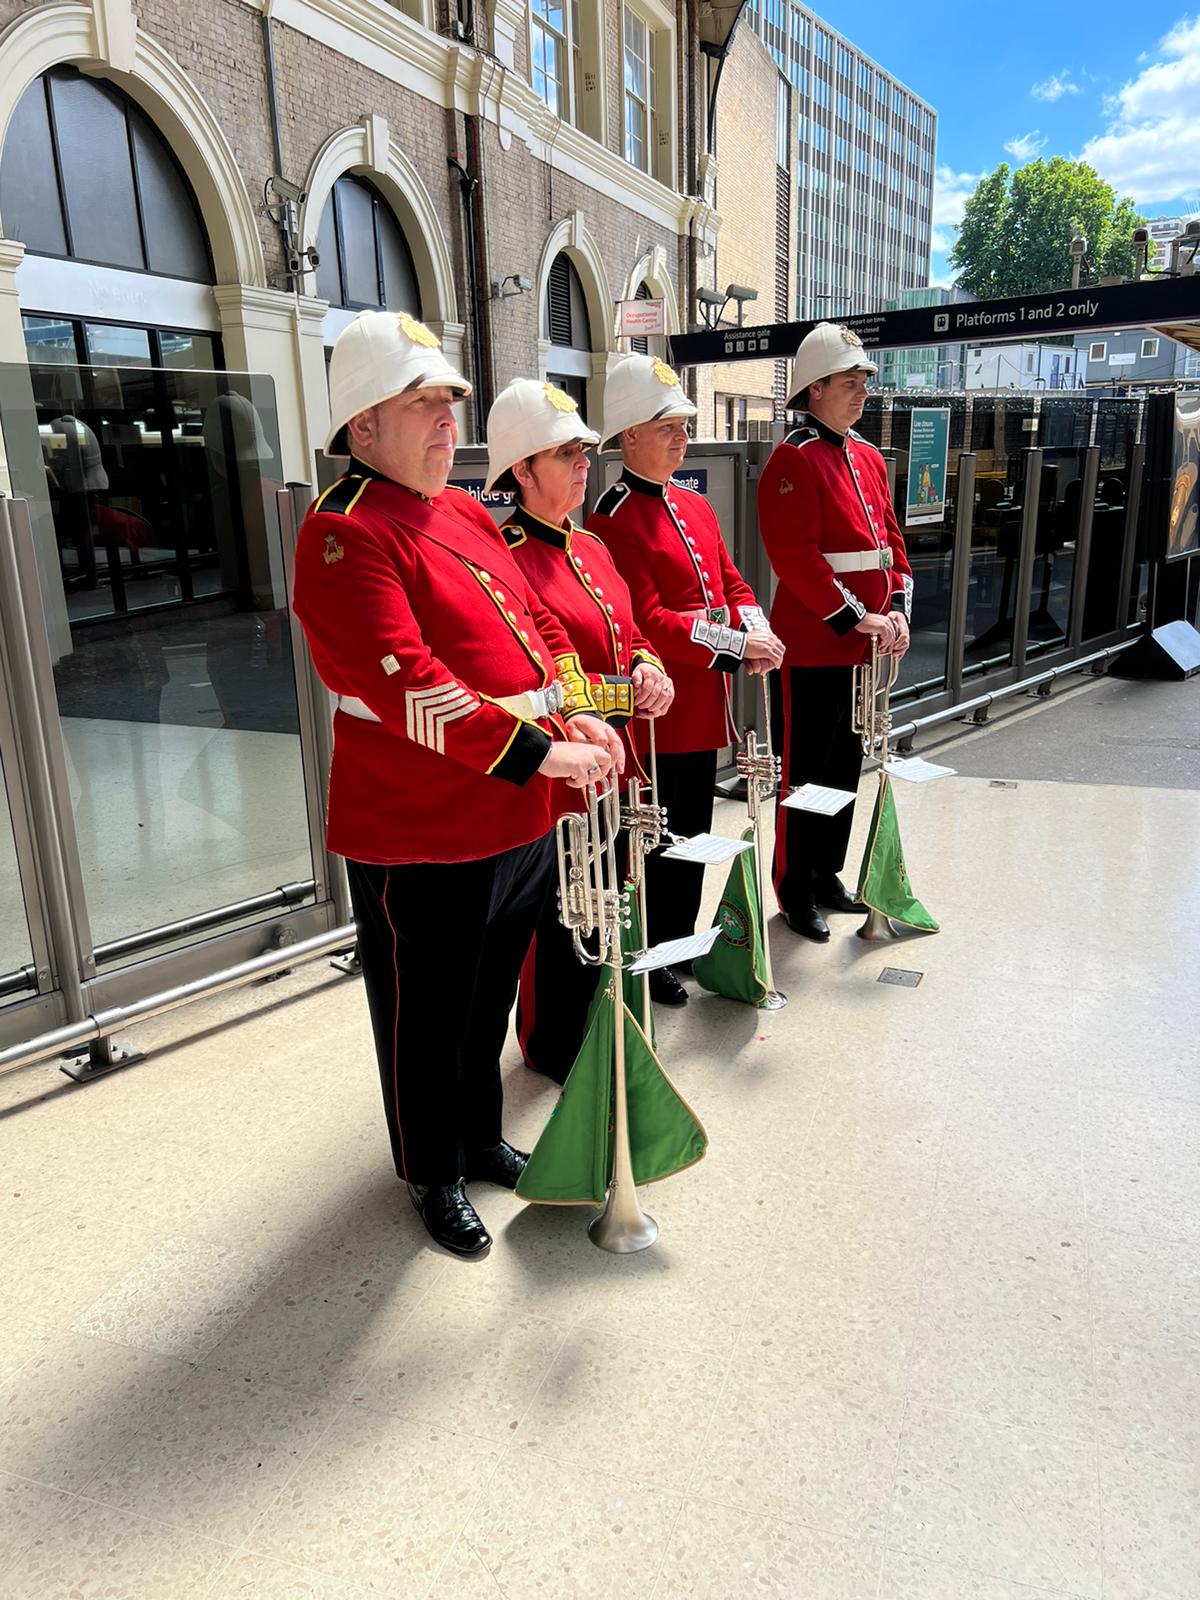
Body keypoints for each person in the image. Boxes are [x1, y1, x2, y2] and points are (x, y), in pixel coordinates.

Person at [291, 311, 623, 1258]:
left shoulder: (467, 513)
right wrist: (541, 752)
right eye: (421, 403)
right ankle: (430, 1168)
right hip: (423, 826)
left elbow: (535, 629)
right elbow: (409, 688)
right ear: (362, 426)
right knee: (424, 1013)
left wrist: (572, 713)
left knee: (482, 1004)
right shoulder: (341, 533)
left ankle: (478, 1135)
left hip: (512, 812)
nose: (446, 420)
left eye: (449, 402)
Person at [484, 377, 674, 1081]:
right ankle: (553, 1045)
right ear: (523, 468)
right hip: (561, 771)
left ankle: (600, 1019)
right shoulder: (504, 552)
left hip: (615, 760)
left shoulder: (592, 545)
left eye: (586, 451)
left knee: (610, 895)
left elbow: (625, 629)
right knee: (563, 914)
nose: (584, 463)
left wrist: (649, 663)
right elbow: (554, 674)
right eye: (567, 453)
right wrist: (628, 690)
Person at [587, 354, 784, 1005]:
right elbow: (650, 622)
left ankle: (681, 943)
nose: (682, 437)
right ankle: (653, 956)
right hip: (659, 714)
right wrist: (734, 646)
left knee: (694, 835)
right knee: (661, 842)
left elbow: (730, 580)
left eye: (683, 425)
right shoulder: (613, 517)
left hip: (705, 703)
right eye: (666, 425)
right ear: (628, 435)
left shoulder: (693, 504)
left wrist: (758, 628)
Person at [756, 322, 912, 942]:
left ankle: (825, 873)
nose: (861, 392)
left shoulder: (868, 456)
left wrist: (897, 607)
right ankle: (795, 888)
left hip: (865, 647)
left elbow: (891, 544)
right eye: (849, 382)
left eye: (864, 382)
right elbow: (795, 559)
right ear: (814, 388)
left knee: (845, 767)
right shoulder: (794, 457)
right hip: (815, 648)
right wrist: (857, 616)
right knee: (806, 773)